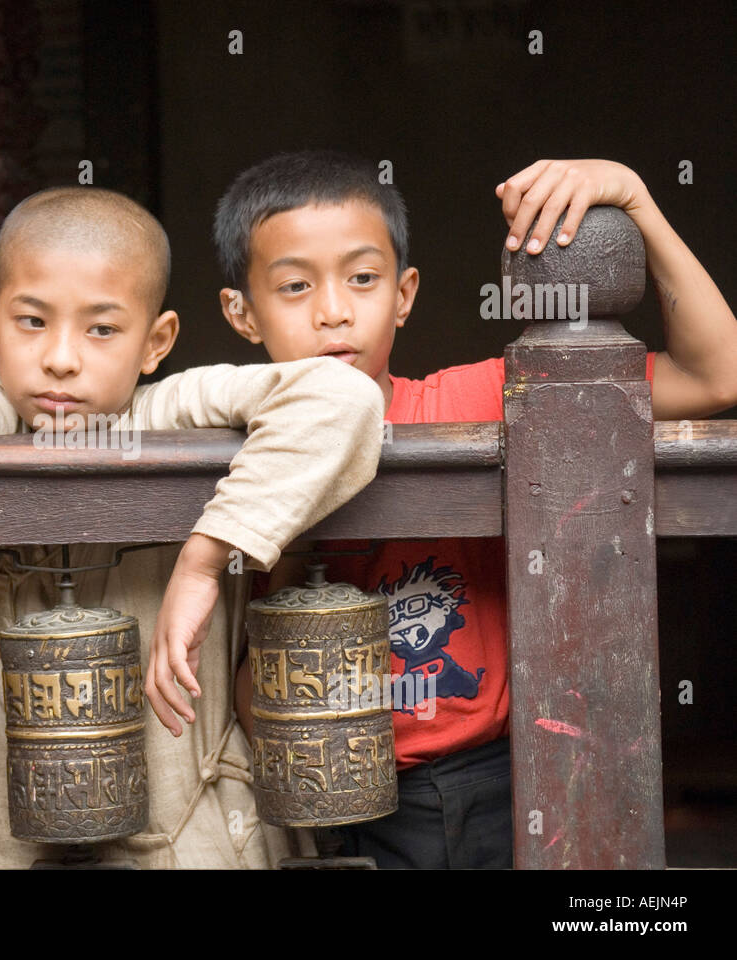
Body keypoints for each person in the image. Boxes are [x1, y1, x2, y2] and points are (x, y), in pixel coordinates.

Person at [0, 185, 386, 867]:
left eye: (101, 329)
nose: (61, 358)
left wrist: (204, 561)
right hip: (16, 841)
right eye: (32, 322)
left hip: (202, 838)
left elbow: (344, 397)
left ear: (156, 342)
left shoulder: (172, 412)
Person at [217, 151, 737, 868]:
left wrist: (639, 202)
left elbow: (718, 375)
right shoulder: (233, 448)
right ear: (240, 312)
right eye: (296, 285)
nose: (333, 309)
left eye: (362, 279)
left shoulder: (467, 402)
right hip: (338, 794)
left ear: (405, 293)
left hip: (504, 777)